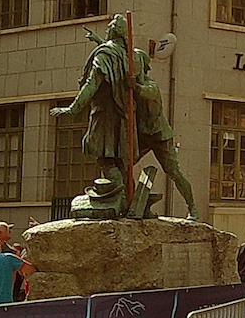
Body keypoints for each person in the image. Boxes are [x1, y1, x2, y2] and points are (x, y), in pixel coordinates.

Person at [50, 13, 198, 219]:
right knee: (122, 166)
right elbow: (116, 60)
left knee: (173, 170)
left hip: (157, 135)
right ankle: (128, 202)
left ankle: (193, 209)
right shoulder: (123, 61)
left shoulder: (149, 86)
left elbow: (137, 87)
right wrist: (99, 41)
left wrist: (133, 85)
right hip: (140, 134)